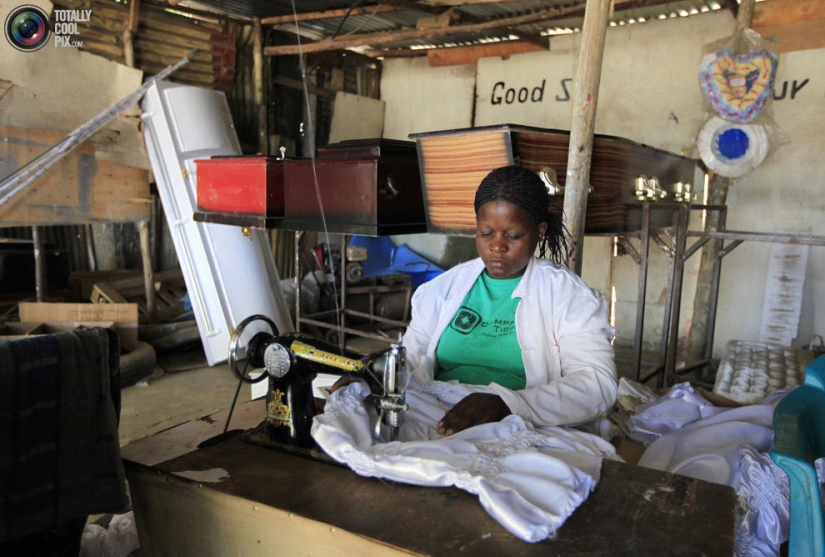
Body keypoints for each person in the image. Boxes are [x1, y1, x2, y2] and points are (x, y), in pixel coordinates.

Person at [400, 165, 618, 435]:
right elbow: (407, 359)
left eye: (512, 236)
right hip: (433, 407)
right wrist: (371, 376)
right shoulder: (443, 289)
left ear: (539, 231)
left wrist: (509, 404)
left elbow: (596, 384)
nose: (497, 246)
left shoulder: (568, 297)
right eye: (486, 233)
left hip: (521, 421)